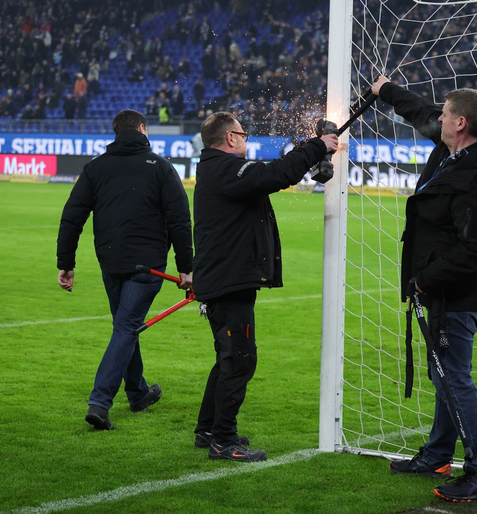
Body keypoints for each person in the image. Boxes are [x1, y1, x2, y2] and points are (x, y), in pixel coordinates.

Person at [371, 75, 477, 502]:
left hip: (457, 293)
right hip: (440, 290)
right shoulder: (450, 151)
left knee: (453, 377)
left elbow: (476, 250)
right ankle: (436, 454)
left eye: (445, 113)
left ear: (462, 123)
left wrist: (424, 278)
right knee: (444, 372)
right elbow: (419, 111)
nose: (438, 118)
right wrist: (386, 89)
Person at [192, 112, 337, 462]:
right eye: (243, 134)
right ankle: (223, 441)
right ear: (230, 138)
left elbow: (270, 172)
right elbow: (274, 175)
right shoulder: (224, 170)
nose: (246, 139)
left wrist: (309, 148)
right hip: (228, 284)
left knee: (227, 359)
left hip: (224, 280)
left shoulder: (216, 170)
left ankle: (209, 430)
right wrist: (317, 146)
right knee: (239, 361)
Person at [57, 109, 193, 431]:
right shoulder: (160, 167)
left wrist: (66, 263)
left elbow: (72, 216)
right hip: (148, 267)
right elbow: (179, 220)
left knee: (125, 326)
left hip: (111, 262)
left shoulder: (95, 168)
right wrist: (187, 268)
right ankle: (100, 403)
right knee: (126, 328)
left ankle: (138, 394)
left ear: (116, 131)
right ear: (142, 129)